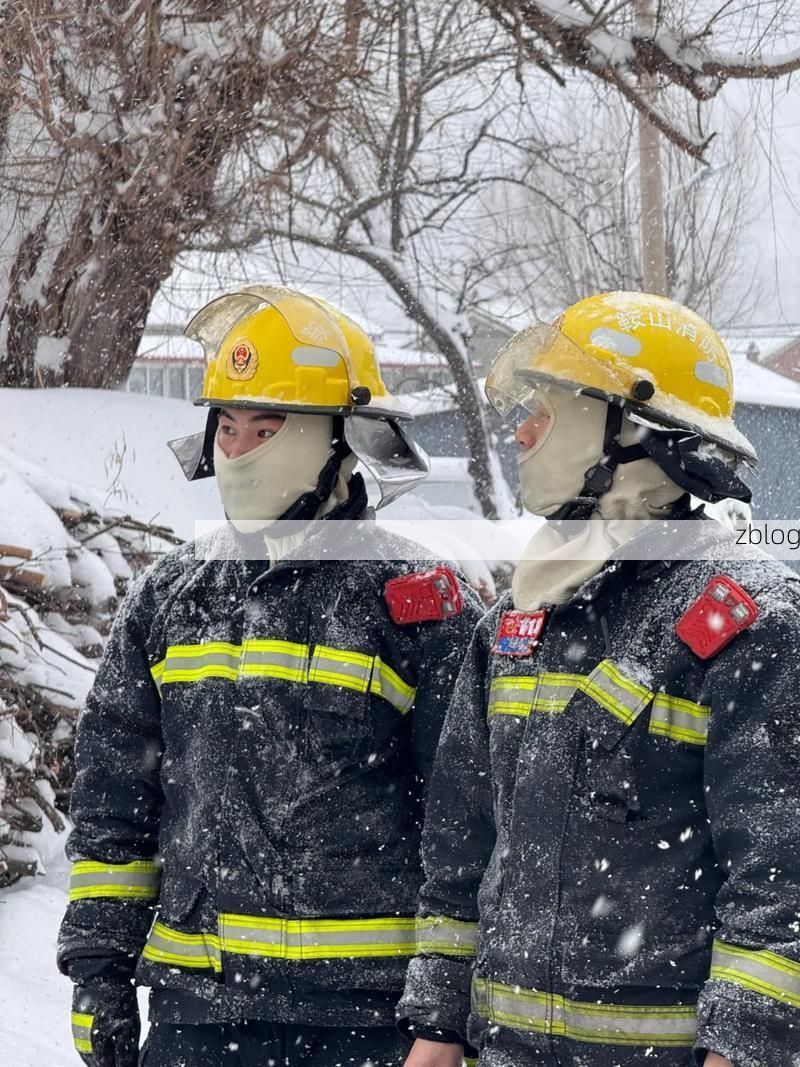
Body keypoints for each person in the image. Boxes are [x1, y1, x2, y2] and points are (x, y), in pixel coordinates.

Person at [58, 285, 482, 1067]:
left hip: (367, 1019)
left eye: (266, 427)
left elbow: (467, 827)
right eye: (227, 426)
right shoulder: (171, 596)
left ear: (341, 440)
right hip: (197, 1013)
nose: (240, 448)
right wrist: (99, 970)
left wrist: (446, 1013)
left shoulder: (417, 602)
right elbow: (114, 802)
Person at [398, 291, 800, 1067]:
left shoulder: (748, 622)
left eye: (547, 411)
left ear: (632, 429)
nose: (521, 433)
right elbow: (460, 853)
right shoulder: (515, 624)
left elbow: (781, 880)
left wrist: (742, 1048)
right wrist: (437, 1028)